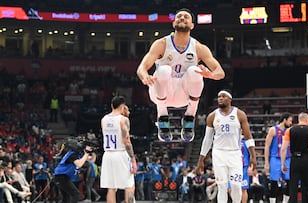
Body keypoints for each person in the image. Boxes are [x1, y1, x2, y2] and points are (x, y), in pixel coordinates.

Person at [136, 8, 225, 142]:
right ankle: (162, 117)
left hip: (183, 94)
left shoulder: (198, 47)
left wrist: (210, 74)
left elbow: (220, 72)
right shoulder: (162, 44)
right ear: (173, 23)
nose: (182, 18)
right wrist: (144, 76)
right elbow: (141, 68)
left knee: (195, 71)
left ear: (192, 25)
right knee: (164, 70)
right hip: (161, 92)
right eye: (179, 16)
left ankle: (190, 117)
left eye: (186, 17)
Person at [197, 89, 256, 203]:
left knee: (236, 185)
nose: (220, 98)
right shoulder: (212, 116)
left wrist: (253, 156)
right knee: (222, 186)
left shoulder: (239, 114)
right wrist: (201, 159)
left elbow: (248, 137)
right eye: (219, 96)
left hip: (235, 153)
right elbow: (207, 139)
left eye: (223, 96)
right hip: (219, 153)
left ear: (229, 99)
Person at [100, 96, 137, 203]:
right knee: (129, 185)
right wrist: (133, 160)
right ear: (122, 106)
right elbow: (127, 141)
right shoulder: (123, 120)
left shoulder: (104, 119)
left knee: (111, 188)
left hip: (107, 155)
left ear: (112, 105)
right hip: (120, 153)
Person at [281, 112, 308, 203]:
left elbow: (283, 148)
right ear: (307, 120)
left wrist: (283, 163)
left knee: (293, 185)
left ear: (298, 120)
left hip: (295, 159)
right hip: (307, 159)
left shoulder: (290, 130)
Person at [264, 112, 293, 203]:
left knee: (289, 181)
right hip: (275, 158)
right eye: (290, 121)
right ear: (284, 120)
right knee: (274, 182)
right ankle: (272, 201)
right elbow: (267, 146)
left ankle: (285, 201)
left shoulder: (290, 131)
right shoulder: (273, 130)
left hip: (288, 158)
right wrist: (266, 162)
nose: (291, 123)